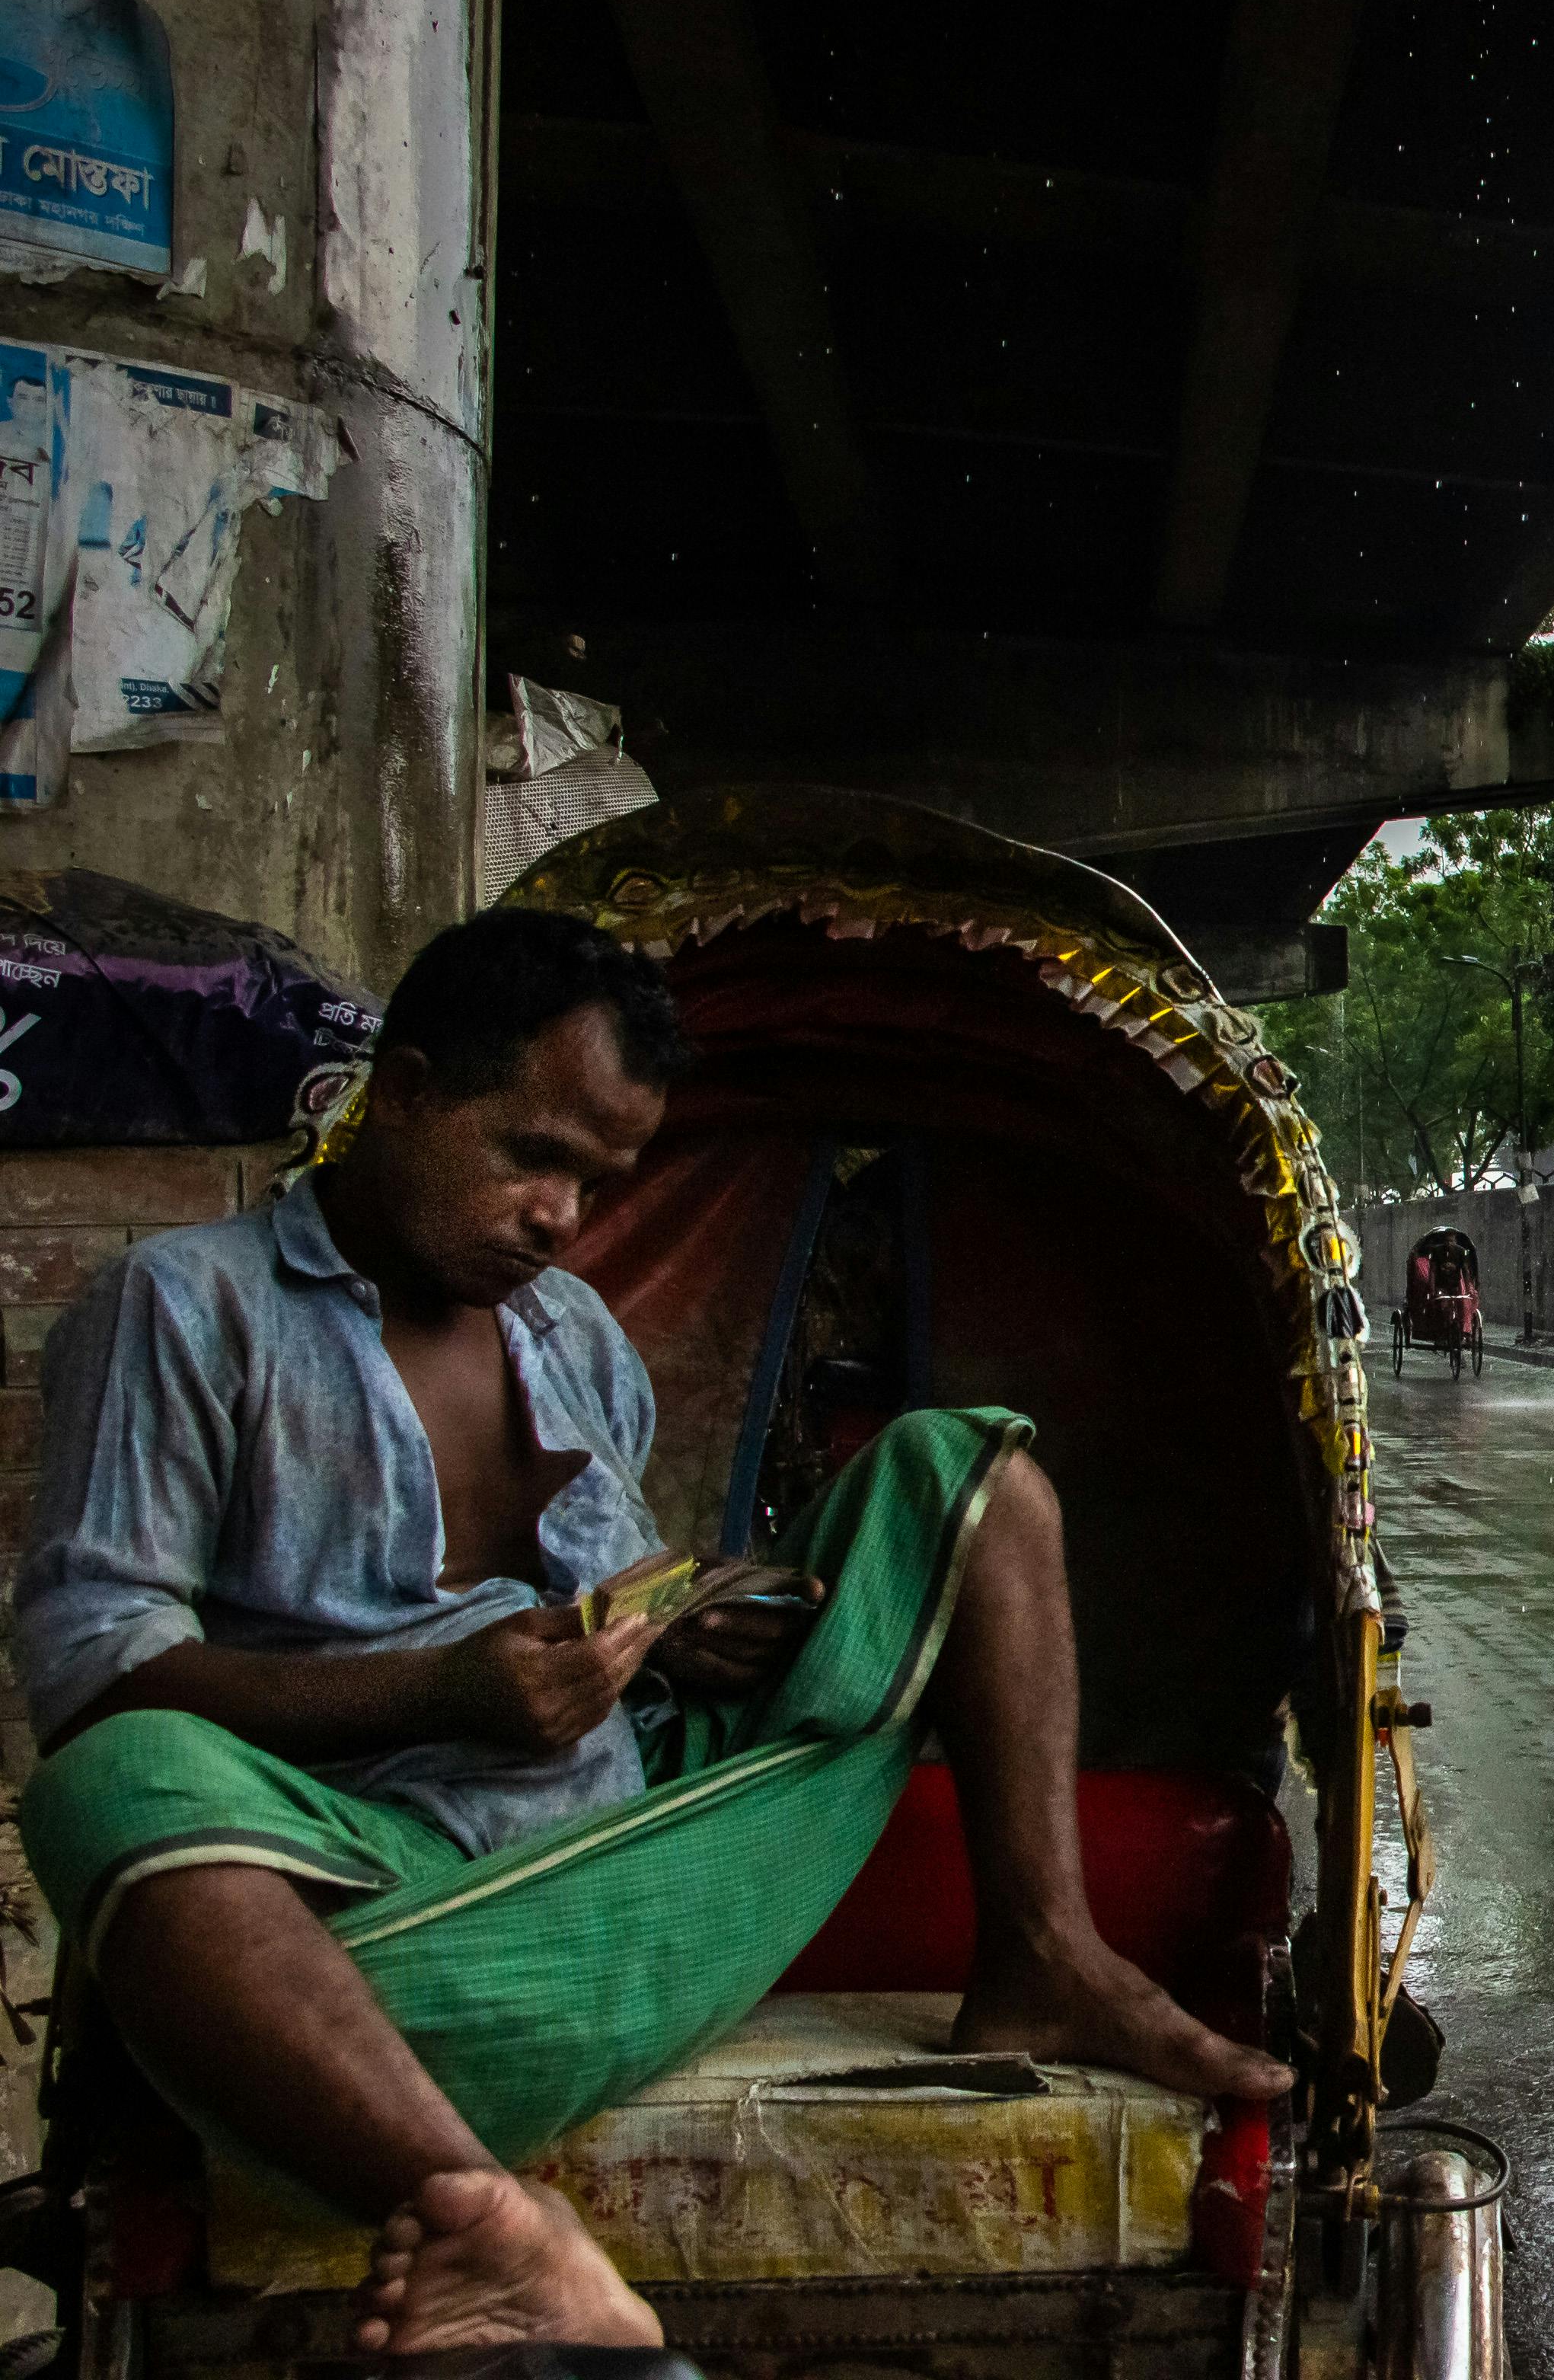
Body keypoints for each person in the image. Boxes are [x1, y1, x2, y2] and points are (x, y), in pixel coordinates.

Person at [11, 910, 1290, 2354]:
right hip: (387, 1933)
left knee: (971, 1475)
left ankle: (1044, 1957)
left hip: (658, 1855)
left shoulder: (572, 1333)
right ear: (411, 1087)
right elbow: (91, 1677)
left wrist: (681, 1623)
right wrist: (434, 1696)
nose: (561, 1215)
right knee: (107, 1783)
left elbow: (606, 1591)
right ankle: (483, 2219)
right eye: (532, 1156)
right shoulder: (183, 1309)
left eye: (599, 1180)